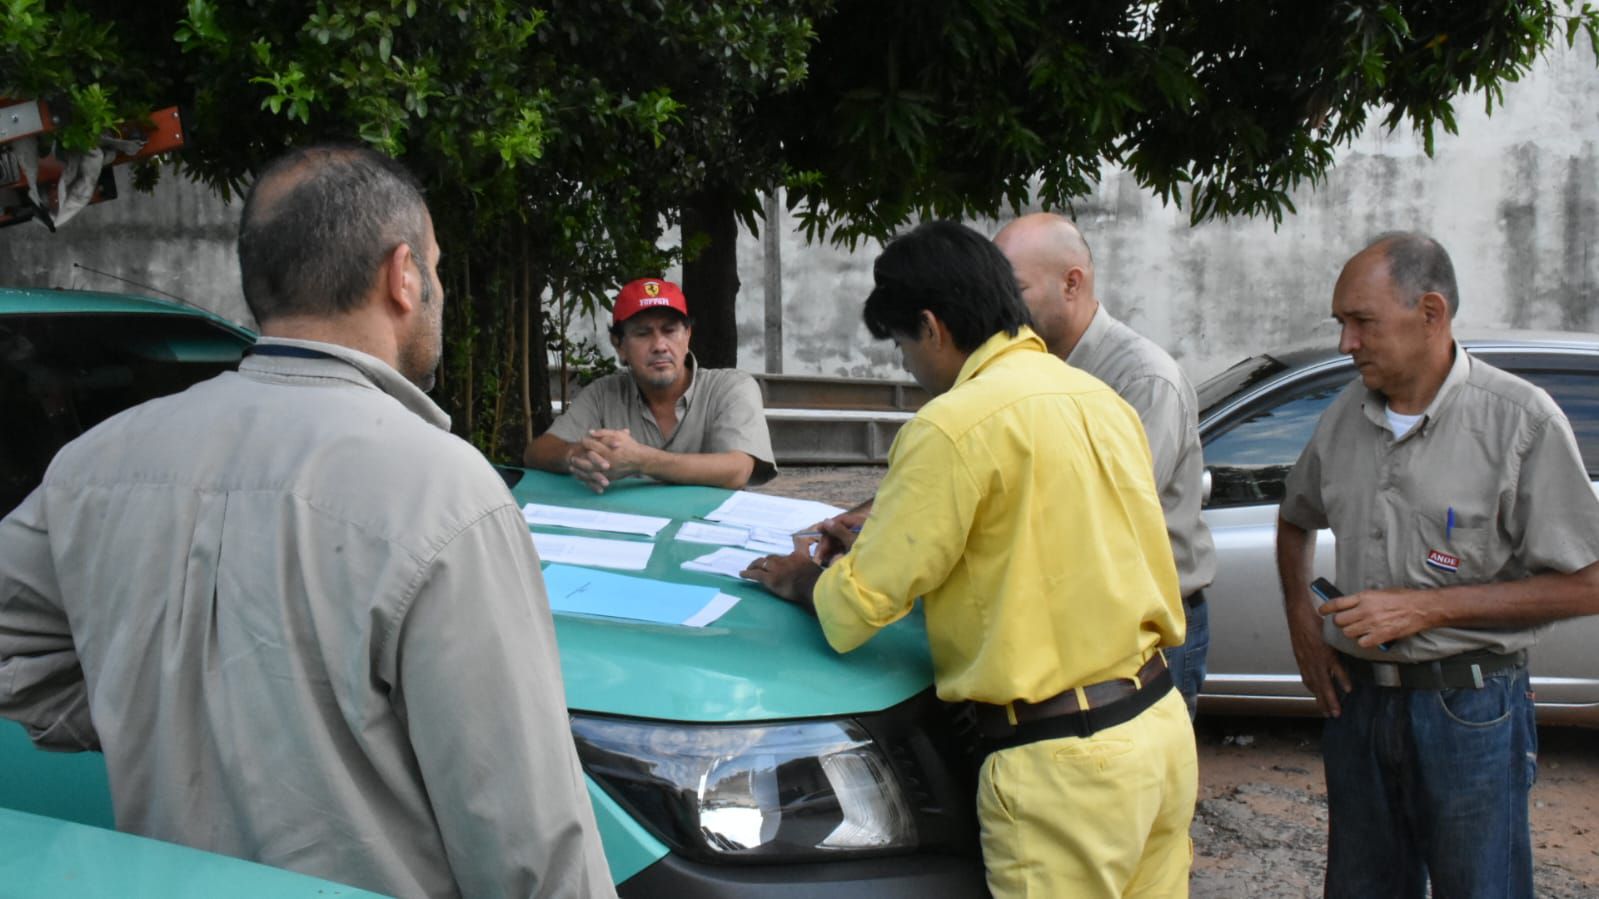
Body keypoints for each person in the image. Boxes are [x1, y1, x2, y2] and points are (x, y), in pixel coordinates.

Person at [0, 146, 615, 899]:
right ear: (403, 275)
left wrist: (144, 706)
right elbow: (529, 844)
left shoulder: (96, 464)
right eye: (438, 267)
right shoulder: (445, 491)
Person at [742, 220, 1195, 898]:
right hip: (1158, 729)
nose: (905, 364)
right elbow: (1032, 538)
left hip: (1060, 765)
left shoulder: (951, 424)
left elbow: (853, 608)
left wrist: (799, 577)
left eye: (899, 343)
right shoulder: (1098, 399)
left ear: (930, 326)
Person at [1275, 232, 1599, 898]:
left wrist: (1424, 607)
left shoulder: (1518, 422)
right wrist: (1302, 625)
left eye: (1361, 322)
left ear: (1430, 313)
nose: (1345, 343)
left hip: (1470, 707)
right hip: (1358, 706)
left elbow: (1589, 583)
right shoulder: (1342, 416)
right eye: (1341, 324)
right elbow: (1293, 517)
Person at [993, 212, 1216, 718]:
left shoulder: (1142, 380)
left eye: (1015, 289)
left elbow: (1102, 513)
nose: (998, 308)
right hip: (1073, 617)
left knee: (1135, 784)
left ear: (1072, 283)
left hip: (1145, 631)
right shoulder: (1025, 368)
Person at [524, 277, 775, 493]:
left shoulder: (730, 387)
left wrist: (639, 460)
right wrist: (577, 454)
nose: (659, 345)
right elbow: (538, 452)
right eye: (643, 334)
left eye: (670, 331)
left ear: (687, 336)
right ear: (619, 345)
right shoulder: (604, 393)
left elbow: (738, 470)